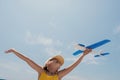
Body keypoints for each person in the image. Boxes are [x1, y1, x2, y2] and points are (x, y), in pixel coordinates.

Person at [5, 48, 92, 80]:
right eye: (56, 60)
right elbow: (27, 60)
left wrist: (83, 55)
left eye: (60, 63)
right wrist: (14, 51)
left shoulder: (59, 75)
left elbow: (73, 66)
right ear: (47, 63)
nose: (59, 63)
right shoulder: (41, 71)